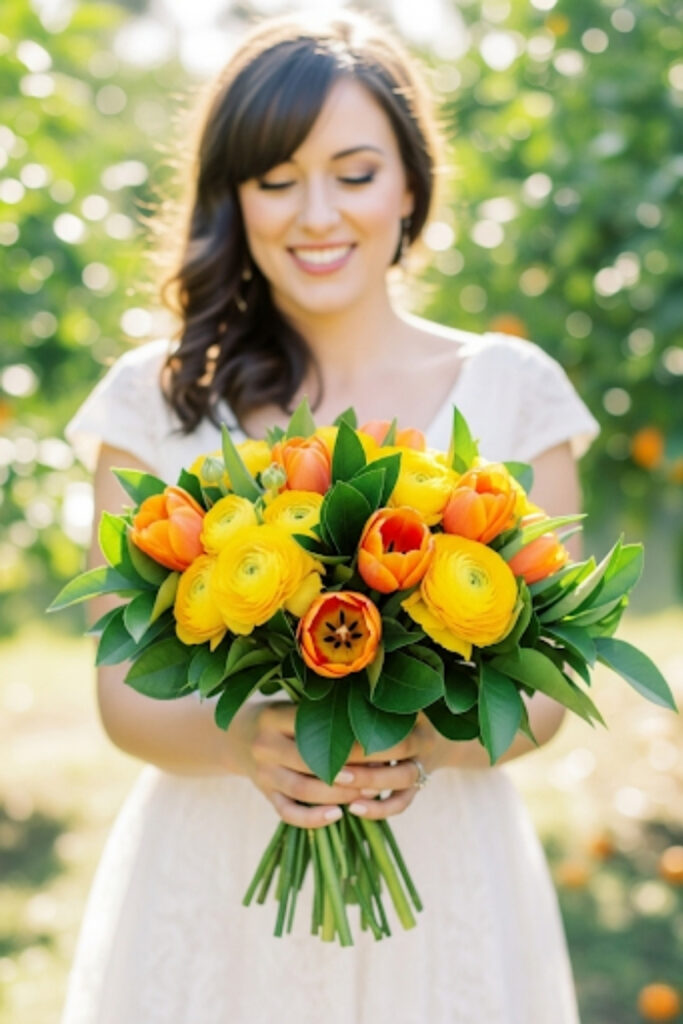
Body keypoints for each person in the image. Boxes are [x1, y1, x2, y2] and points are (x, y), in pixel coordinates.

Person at [60, 10, 599, 1023]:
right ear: (232, 198)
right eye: (275, 179)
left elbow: (543, 694)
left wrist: (410, 746)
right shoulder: (156, 400)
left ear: (409, 186)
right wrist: (245, 743)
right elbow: (122, 697)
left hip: (445, 875)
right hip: (214, 880)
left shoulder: (512, 389)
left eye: (353, 173)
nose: (316, 215)